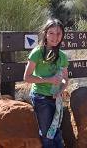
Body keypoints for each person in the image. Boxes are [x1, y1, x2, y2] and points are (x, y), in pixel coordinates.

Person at [23, 18, 69, 148]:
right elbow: (27, 77)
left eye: (59, 33)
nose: (55, 37)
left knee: (56, 132)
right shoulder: (37, 52)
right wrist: (48, 80)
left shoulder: (62, 56)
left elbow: (66, 79)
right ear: (45, 34)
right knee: (47, 134)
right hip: (41, 97)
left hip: (56, 98)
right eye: (51, 33)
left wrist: (61, 89)